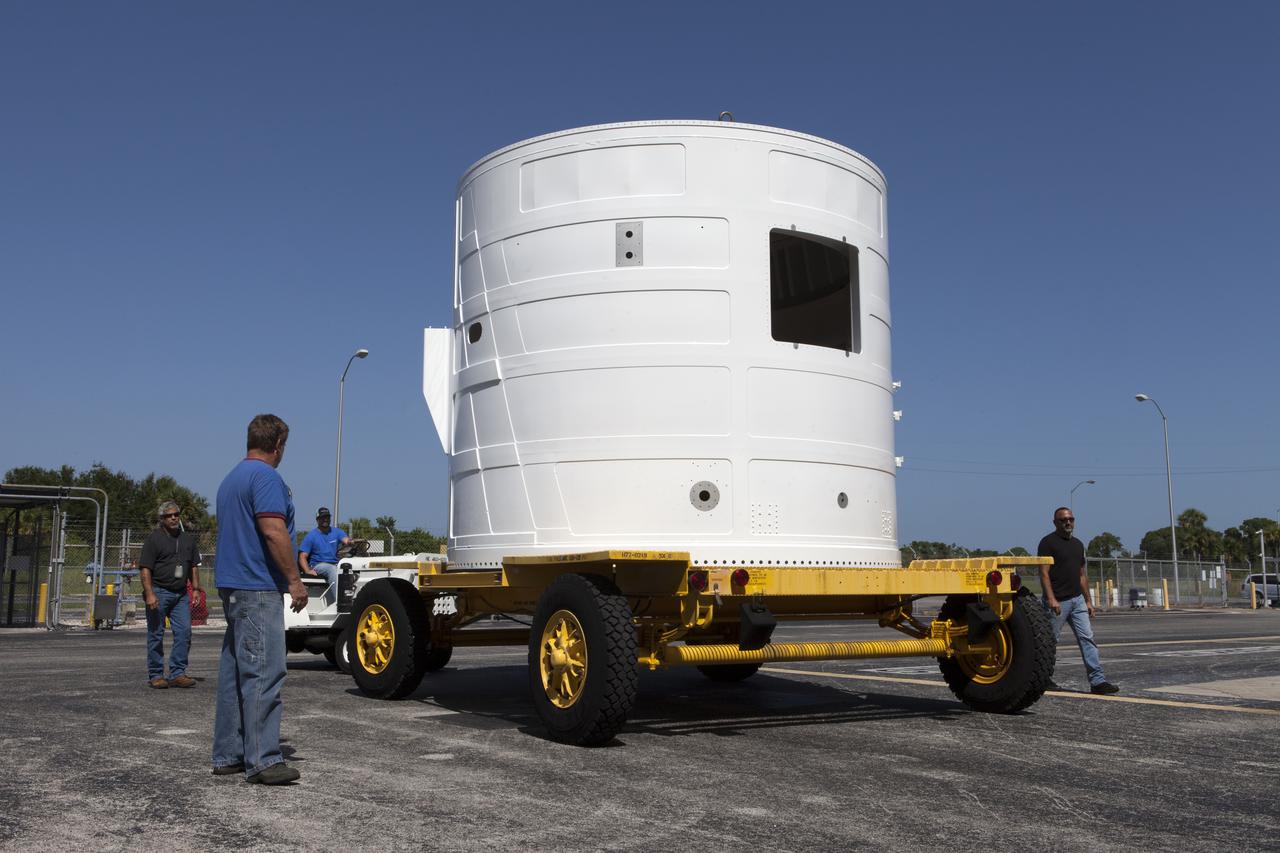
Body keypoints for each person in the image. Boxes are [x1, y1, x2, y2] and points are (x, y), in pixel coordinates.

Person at [211, 414, 308, 785]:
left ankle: (228, 754)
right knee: (264, 673)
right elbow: (272, 530)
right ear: (278, 445)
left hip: (233, 586)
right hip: (258, 587)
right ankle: (264, 760)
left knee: (235, 674)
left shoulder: (230, 478)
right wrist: (294, 580)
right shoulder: (266, 477)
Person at [1037, 507, 1119, 695]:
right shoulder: (1047, 543)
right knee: (1050, 642)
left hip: (1077, 601)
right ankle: (1044, 678)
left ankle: (1098, 681)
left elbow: (1082, 575)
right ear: (1055, 522)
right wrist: (1051, 599)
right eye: (1063, 520)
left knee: (1087, 638)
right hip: (1057, 602)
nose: (1068, 522)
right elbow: (1043, 573)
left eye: (1071, 519)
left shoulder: (1078, 544)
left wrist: (1088, 601)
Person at [138, 501, 202, 689]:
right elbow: (145, 569)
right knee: (156, 634)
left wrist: (196, 589)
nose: (173, 518)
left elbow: (193, 566)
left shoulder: (188, 540)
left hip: (180, 594)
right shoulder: (153, 540)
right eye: (169, 515)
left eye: (176, 514)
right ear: (162, 519)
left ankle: (177, 673)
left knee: (184, 632)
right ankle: (156, 674)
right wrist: (149, 593)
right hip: (159, 591)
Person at [298, 507, 350, 604]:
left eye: (327, 517)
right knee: (331, 569)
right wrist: (307, 570)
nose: (325, 519)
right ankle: (341, 602)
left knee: (350, 567)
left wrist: (350, 542)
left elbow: (346, 540)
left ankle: (355, 600)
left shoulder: (336, 532)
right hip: (319, 565)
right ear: (317, 520)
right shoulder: (311, 536)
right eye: (322, 517)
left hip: (335, 563)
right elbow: (302, 556)